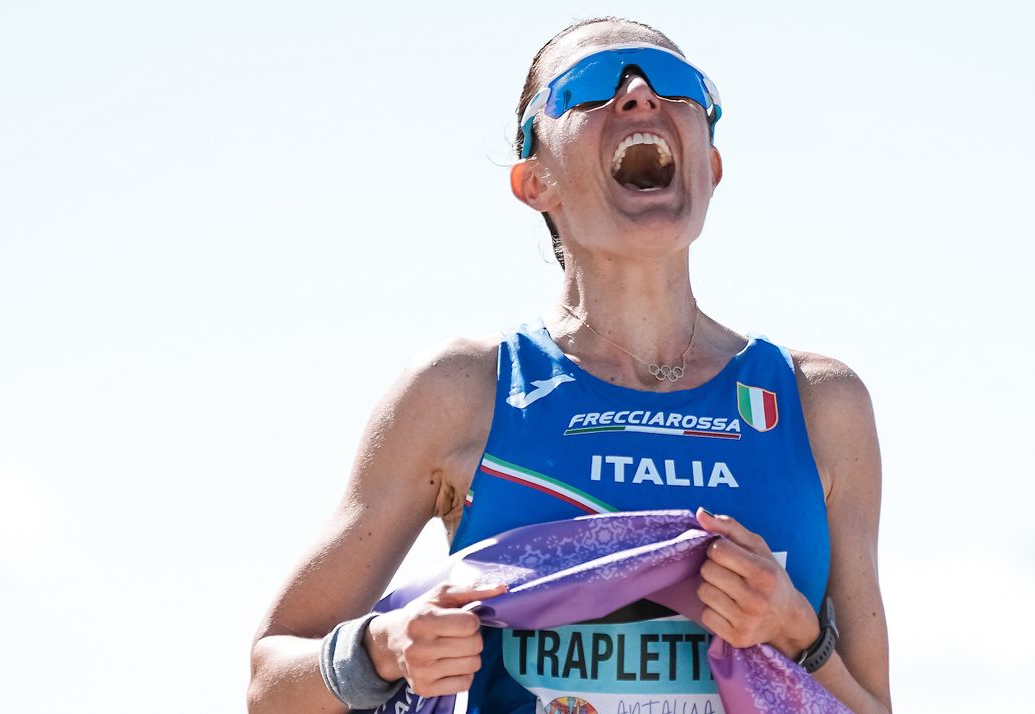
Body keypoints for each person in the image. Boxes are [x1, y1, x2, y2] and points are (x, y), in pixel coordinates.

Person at [247, 17, 890, 713]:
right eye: (588, 91)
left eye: (676, 86)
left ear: (711, 165)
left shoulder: (819, 404)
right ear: (534, 181)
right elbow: (268, 681)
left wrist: (799, 636)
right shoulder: (463, 391)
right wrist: (382, 647)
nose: (641, 96)